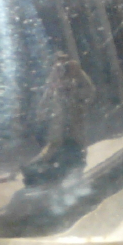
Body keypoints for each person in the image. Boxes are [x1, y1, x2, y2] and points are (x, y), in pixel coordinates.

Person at [22, 52, 96, 185]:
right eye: (58, 62)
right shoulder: (54, 75)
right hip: (59, 117)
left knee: (78, 142)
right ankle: (38, 170)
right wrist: (42, 111)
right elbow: (47, 94)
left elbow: (90, 92)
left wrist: (76, 94)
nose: (62, 65)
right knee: (54, 143)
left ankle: (78, 171)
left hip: (76, 115)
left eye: (64, 61)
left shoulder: (77, 73)